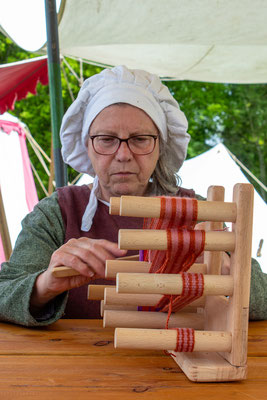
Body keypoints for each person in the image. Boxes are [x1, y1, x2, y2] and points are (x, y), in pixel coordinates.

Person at [0, 66, 266, 326]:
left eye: (140, 139)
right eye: (106, 139)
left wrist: (231, 276)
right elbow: (4, 292)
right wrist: (44, 285)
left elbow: (263, 297)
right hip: (75, 367)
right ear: (87, 146)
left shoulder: (199, 213)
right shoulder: (58, 212)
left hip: (177, 366)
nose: (123, 154)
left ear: (160, 146)